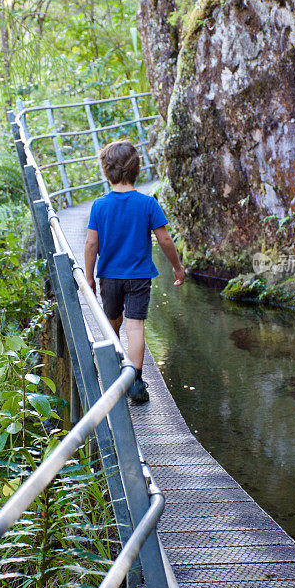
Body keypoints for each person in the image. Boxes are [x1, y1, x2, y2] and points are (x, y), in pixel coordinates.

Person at [84, 139, 185, 402]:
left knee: (111, 321)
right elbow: (164, 240)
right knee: (135, 326)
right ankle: (136, 381)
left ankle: (116, 368)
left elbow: (91, 243)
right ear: (137, 170)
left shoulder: (100, 205)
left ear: (106, 171)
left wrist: (88, 277)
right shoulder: (147, 203)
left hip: (108, 276)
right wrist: (177, 267)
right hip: (139, 277)